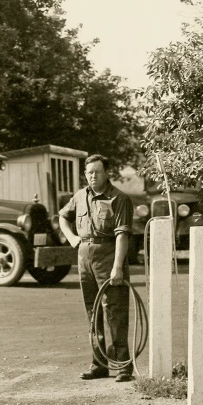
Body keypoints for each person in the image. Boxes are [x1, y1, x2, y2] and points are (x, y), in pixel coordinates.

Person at [75, 160, 134, 381]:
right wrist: (73, 239)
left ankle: (122, 366)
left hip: (109, 257)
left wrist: (117, 267)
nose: (94, 176)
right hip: (84, 258)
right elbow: (62, 216)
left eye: (98, 172)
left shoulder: (118, 198)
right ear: (85, 174)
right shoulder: (80, 196)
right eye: (90, 172)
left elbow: (122, 235)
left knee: (115, 311)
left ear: (106, 173)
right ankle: (98, 363)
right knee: (93, 312)